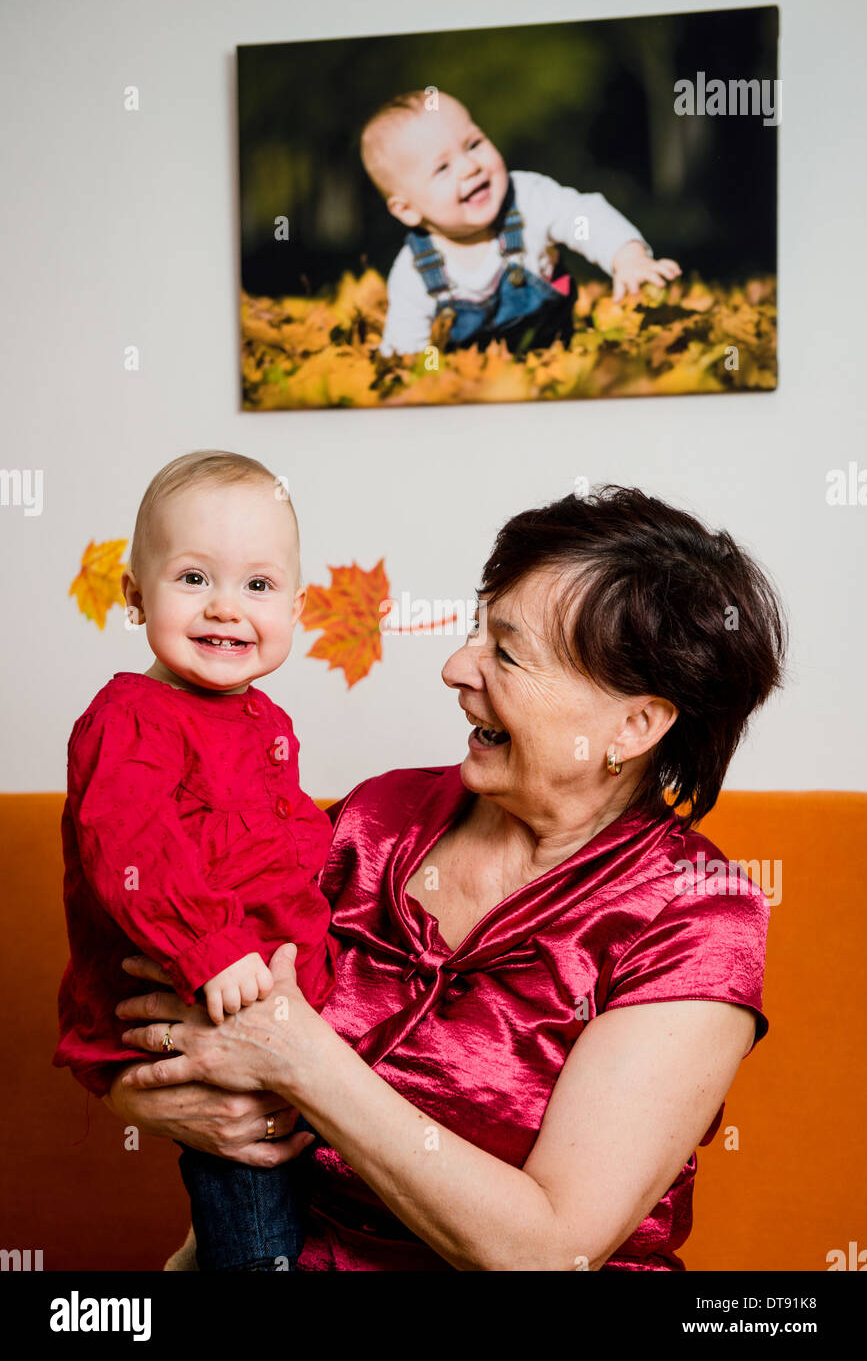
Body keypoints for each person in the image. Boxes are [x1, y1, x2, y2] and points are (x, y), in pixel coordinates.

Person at [104, 485, 786, 1272]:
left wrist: (297, 1056)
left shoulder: (696, 916)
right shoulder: (374, 817)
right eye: (474, 632)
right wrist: (148, 1096)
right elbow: (170, 984)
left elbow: (548, 1253)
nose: (455, 667)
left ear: (632, 726)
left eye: (505, 651)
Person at [52, 450, 339, 1271]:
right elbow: (130, 848)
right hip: (192, 1006)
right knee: (253, 1208)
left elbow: (276, 843)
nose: (226, 608)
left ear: (295, 603)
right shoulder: (130, 718)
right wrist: (210, 947)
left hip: (270, 1012)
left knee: (305, 1200)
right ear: (134, 594)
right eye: (191, 579)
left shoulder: (264, 717)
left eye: (258, 586)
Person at [361, 91, 682, 357]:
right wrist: (427, 380)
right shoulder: (414, 272)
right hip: (476, 385)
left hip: (557, 357)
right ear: (406, 210)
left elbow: (581, 217)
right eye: (442, 168)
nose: (470, 167)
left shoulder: (527, 200)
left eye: (473, 145)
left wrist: (625, 255)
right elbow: (409, 348)